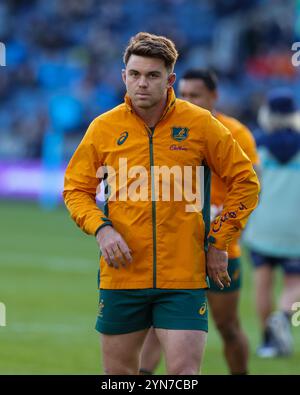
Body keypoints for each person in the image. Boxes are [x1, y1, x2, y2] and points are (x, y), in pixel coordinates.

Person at [63, 33, 260, 375]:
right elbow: (75, 189)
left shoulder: (201, 124)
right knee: (120, 377)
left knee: (183, 376)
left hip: (183, 278)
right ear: (123, 75)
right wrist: (102, 229)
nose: (142, 84)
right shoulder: (103, 128)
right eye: (135, 74)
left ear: (169, 80)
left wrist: (219, 240)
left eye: (153, 76)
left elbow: (246, 182)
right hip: (122, 277)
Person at [140, 69, 259, 375]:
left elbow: (248, 187)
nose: (188, 100)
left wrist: (224, 233)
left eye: (196, 95)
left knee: (228, 327)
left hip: (221, 248)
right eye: (184, 94)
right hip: (177, 247)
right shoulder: (167, 128)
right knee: (156, 326)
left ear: (214, 97)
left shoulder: (236, 133)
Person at [244, 88, 300, 358]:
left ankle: (267, 341)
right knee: (294, 283)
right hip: (296, 227)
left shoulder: (256, 144)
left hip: (263, 224)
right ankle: (284, 315)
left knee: (262, 283)